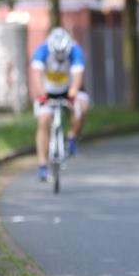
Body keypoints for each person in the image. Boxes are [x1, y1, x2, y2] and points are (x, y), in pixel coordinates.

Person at [29, 27, 90, 182]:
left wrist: (73, 93)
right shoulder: (42, 51)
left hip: (68, 90)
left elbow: (77, 77)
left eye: (63, 55)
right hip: (47, 91)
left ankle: (72, 137)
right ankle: (42, 166)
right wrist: (42, 95)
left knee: (83, 106)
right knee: (44, 121)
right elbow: (36, 76)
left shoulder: (76, 51)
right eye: (57, 55)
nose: (60, 58)